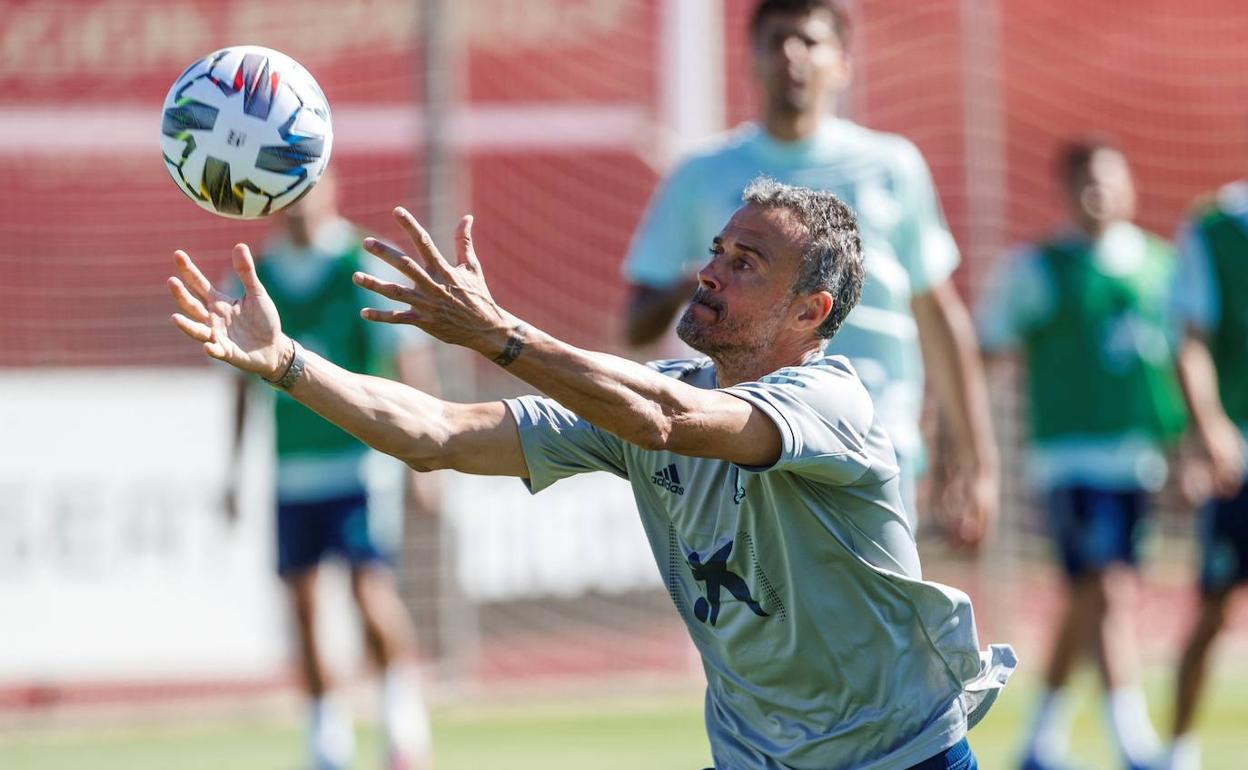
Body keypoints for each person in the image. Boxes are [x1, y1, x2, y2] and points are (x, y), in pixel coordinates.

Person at [168, 178, 1015, 769]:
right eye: (717, 249)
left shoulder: (835, 401)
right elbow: (436, 432)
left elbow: (667, 421)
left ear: (811, 312)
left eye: (746, 262)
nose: (710, 269)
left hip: (900, 759)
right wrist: (285, 363)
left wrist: (502, 336)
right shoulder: (642, 403)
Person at [622, 0, 998, 545]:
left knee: (874, 624)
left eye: (810, 41)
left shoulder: (892, 167)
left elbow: (939, 316)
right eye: (776, 40)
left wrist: (976, 460)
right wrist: (700, 281)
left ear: (843, 63)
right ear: (751, 58)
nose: (792, 55)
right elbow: (635, 321)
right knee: (759, 621)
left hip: (871, 442)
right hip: (744, 440)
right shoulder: (700, 175)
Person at [975, 138, 1186, 770]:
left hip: (1140, 459)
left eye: (1110, 181)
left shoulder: (1159, 266)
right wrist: (961, 427)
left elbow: (1180, 361)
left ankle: (1040, 740)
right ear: (1065, 192)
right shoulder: (1037, 270)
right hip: (1069, 459)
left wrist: (1187, 444)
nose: (1099, 194)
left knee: (1090, 597)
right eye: (1086, 183)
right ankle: (1133, 742)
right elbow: (986, 345)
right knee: (1108, 589)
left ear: (1129, 187)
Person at [223, 175, 433, 770]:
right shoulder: (254, 277)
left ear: (328, 186)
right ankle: (326, 743)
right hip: (292, 472)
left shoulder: (353, 262)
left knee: (369, 593)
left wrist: (424, 456)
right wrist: (235, 470)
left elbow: (404, 360)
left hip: (357, 464)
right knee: (305, 607)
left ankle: (401, 721)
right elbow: (240, 384)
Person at [1158, 178, 1248, 770]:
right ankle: (1178, 753)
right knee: (1213, 609)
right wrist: (1210, 426)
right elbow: (1189, 341)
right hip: (1240, 456)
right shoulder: (1213, 229)